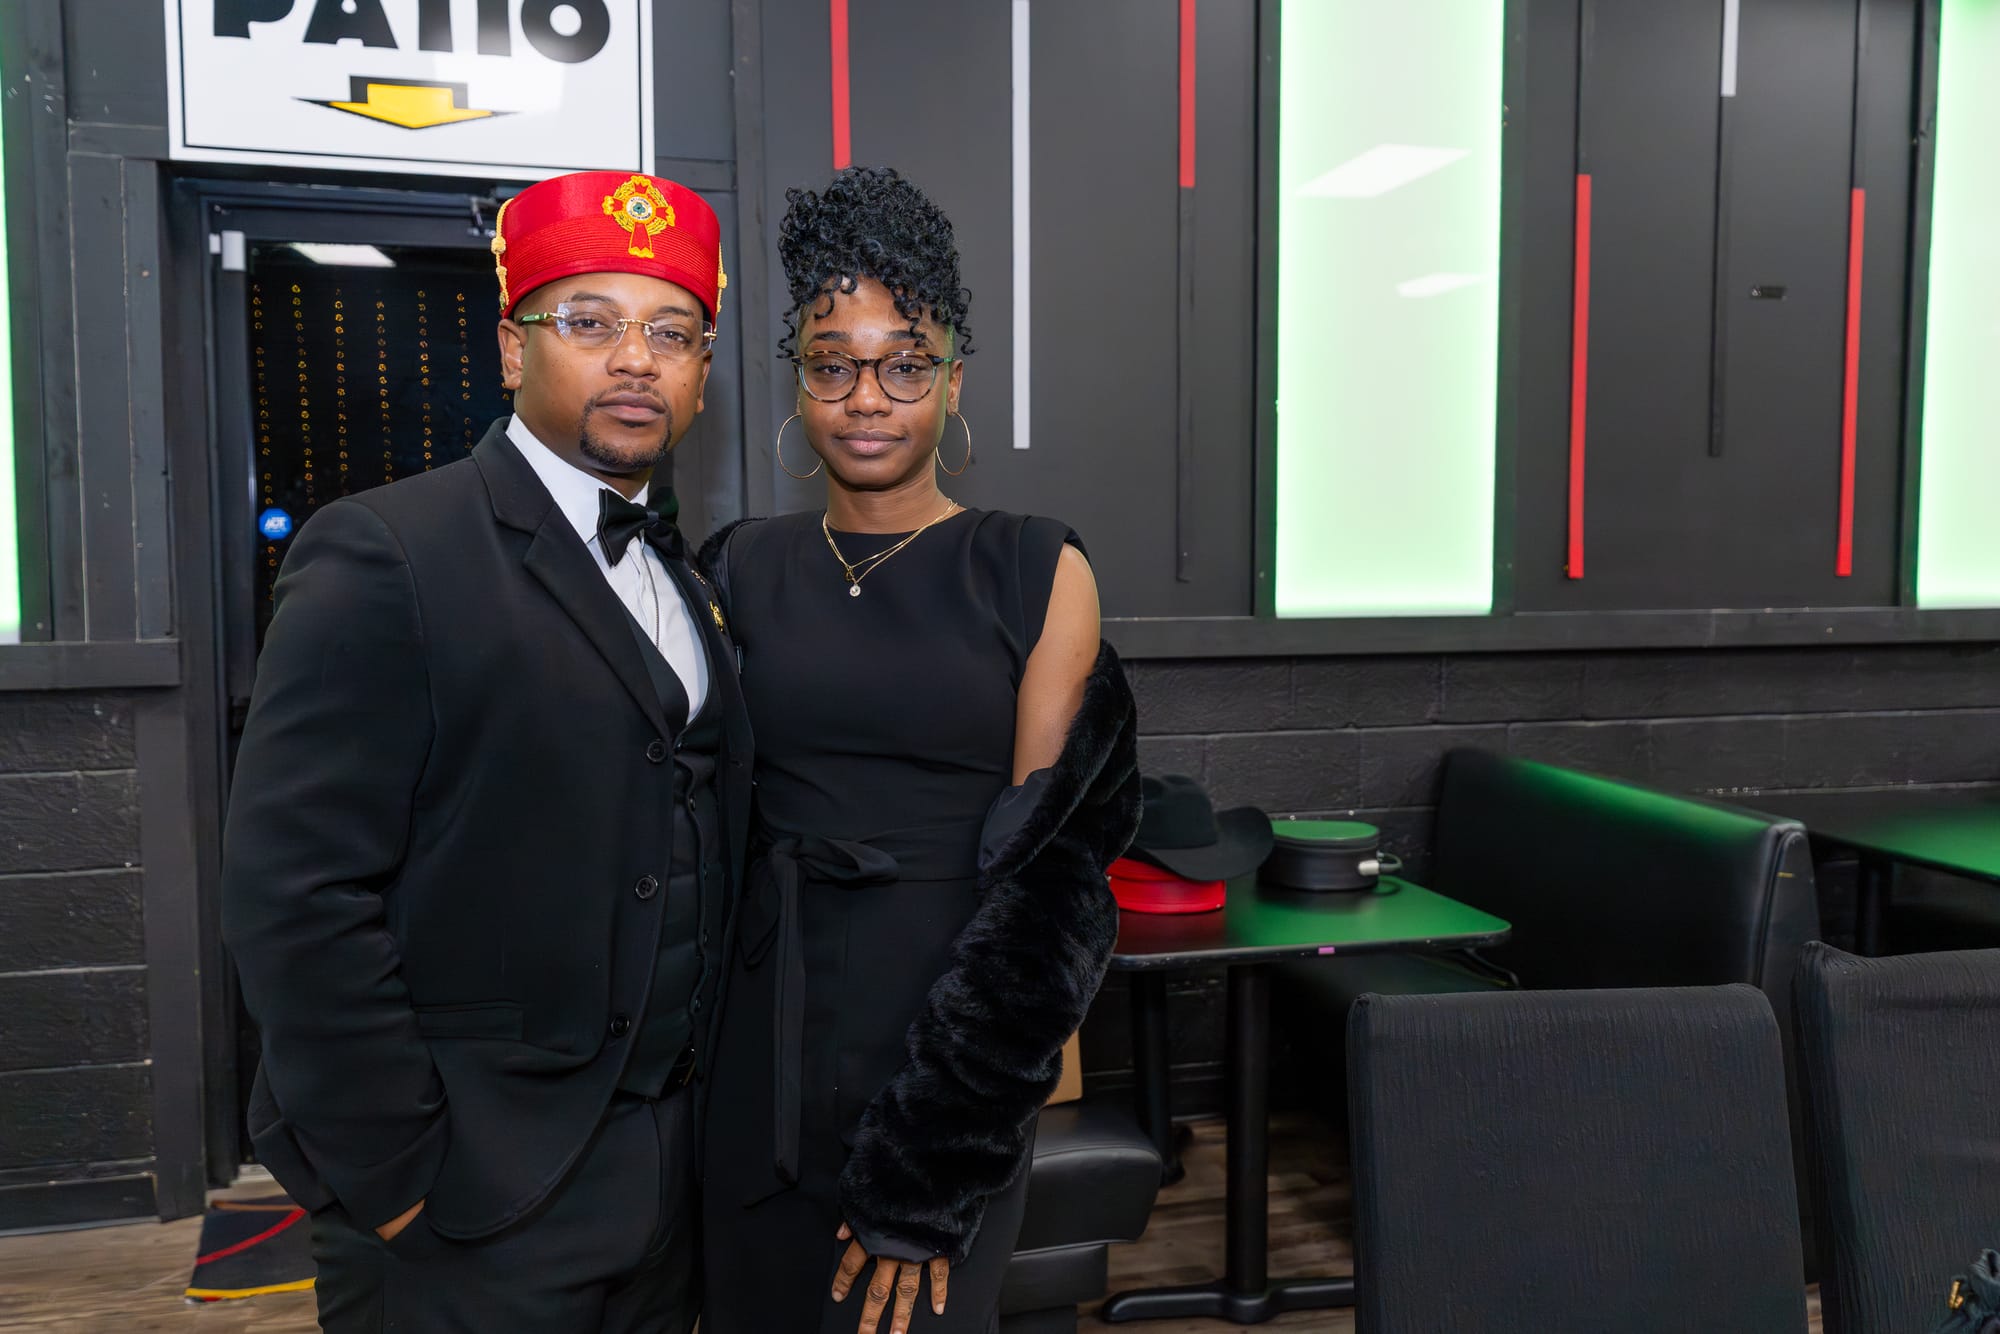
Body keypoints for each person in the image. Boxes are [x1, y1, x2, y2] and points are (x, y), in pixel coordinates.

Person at [220, 169, 749, 1334]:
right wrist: (395, 1173)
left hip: (663, 1182)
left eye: (671, 332)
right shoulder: (385, 551)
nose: (635, 359)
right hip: (464, 1193)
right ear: (513, 349)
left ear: (702, 373)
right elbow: (293, 893)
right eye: (589, 322)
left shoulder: (684, 575)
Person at [699, 166, 1142, 1334]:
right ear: (797, 379)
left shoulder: (1034, 566)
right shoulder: (736, 563)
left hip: (940, 1051)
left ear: (953, 379)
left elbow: (1050, 884)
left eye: (904, 363)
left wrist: (935, 1157)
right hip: (758, 1041)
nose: (867, 397)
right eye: (831, 363)